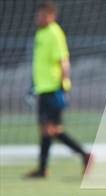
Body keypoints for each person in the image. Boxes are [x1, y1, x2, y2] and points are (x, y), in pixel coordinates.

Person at [26, 1, 91, 178]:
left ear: (51, 15)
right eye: (37, 15)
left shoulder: (55, 33)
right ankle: (42, 168)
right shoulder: (41, 33)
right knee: (46, 129)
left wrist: (64, 85)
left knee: (52, 130)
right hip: (43, 88)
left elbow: (63, 61)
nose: (38, 18)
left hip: (54, 88)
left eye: (41, 15)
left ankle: (85, 155)